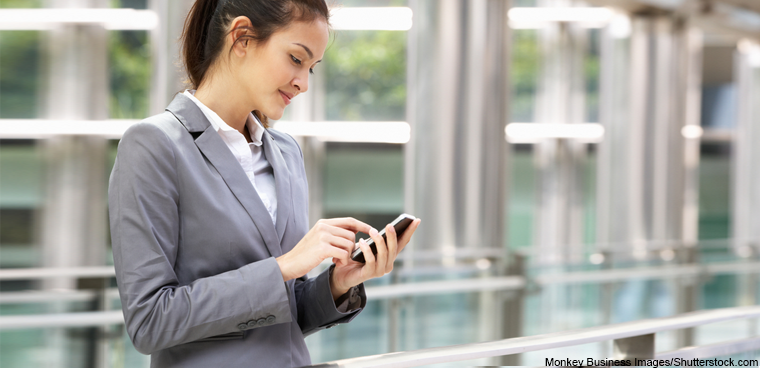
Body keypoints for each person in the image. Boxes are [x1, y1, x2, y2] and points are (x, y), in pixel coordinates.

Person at [107, 0, 420, 367]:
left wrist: (338, 283)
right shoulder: (155, 146)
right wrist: (284, 266)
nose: (302, 83)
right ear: (241, 37)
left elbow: (277, 315)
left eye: (312, 69)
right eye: (296, 59)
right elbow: (150, 321)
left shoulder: (286, 153)